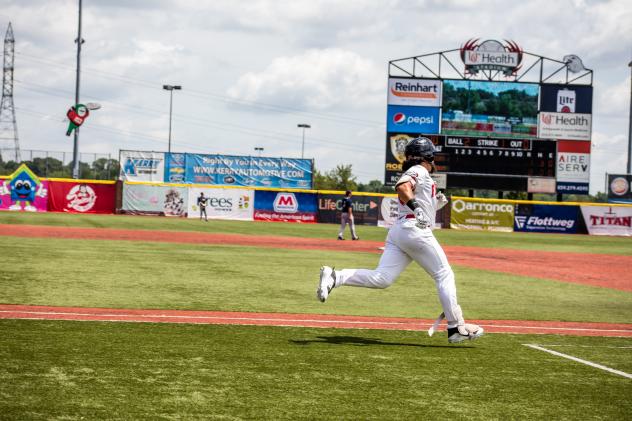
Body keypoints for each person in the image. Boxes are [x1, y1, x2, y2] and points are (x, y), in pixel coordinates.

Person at [316, 137, 483, 344]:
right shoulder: (420, 171)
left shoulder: (422, 175)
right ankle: (455, 327)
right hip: (415, 230)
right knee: (444, 274)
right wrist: (418, 208)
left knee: (382, 278)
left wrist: (434, 204)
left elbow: (416, 201)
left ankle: (335, 277)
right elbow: (403, 187)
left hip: (400, 231)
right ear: (427, 156)